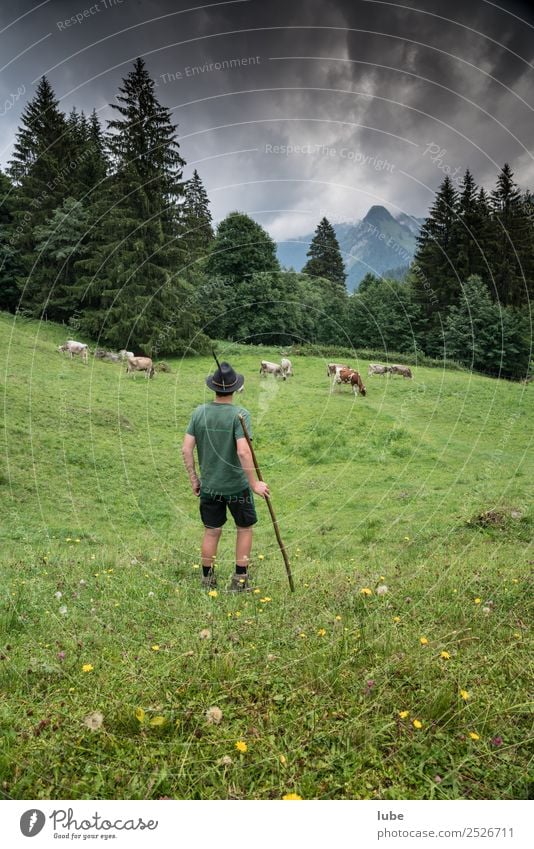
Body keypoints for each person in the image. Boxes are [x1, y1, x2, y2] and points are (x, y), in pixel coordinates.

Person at [182, 360, 270, 591]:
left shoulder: (198, 412)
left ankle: (208, 581)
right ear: (235, 387)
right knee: (244, 528)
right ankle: (239, 581)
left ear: (213, 387)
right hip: (237, 488)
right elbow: (243, 451)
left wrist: (194, 479)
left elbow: (186, 449)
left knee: (212, 532)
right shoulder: (240, 415)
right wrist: (254, 484)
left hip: (210, 487)